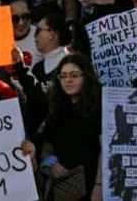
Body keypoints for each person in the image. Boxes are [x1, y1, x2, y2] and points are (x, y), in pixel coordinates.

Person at [39, 54, 102, 201]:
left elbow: (105, 148)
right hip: (63, 187)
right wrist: (51, 163)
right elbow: (45, 142)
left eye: (74, 75)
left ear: (86, 77)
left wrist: (99, 185)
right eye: (63, 76)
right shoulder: (56, 108)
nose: (68, 80)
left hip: (93, 184)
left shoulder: (99, 107)